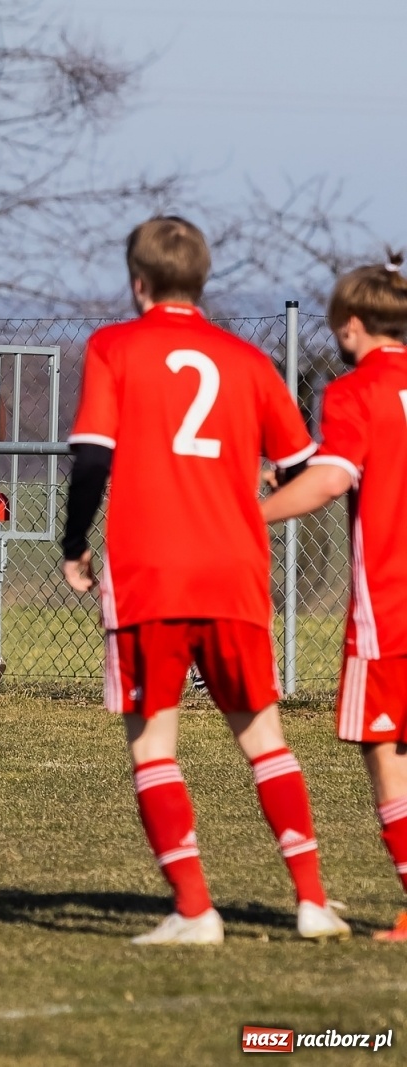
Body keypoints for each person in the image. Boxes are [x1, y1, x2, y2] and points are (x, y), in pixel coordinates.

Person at [60, 216, 347, 946]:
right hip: (236, 569)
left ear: (138, 282)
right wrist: (250, 512)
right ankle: (312, 902)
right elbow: (304, 467)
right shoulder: (248, 361)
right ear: (203, 278)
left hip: (152, 568)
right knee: (265, 738)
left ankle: (195, 910)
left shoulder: (115, 345)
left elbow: (93, 457)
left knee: (155, 743)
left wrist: (73, 543)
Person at [259, 256, 407, 943]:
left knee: (386, 748)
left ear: (351, 326)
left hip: (394, 599)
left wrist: (250, 512)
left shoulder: (355, 391)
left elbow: (329, 481)